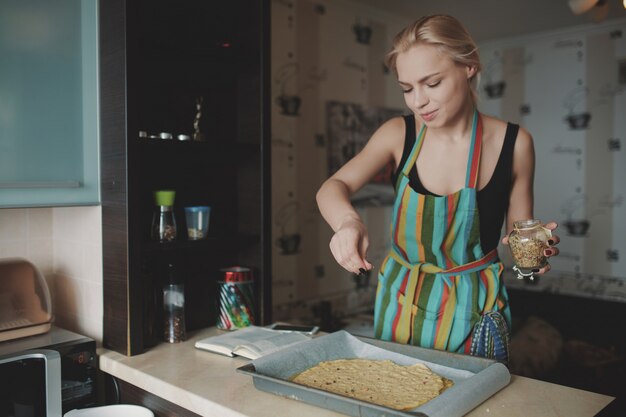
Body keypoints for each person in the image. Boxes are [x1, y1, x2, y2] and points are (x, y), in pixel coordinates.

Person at [316, 15, 560, 360]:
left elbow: (521, 235)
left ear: (469, 67)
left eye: (432, 83)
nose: (418, 101)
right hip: (402, 299)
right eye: (407, 88)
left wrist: (534, 255)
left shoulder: (514, 143)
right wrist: (347, 223)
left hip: (475, 305)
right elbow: (333, 185)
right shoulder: (398, 135)